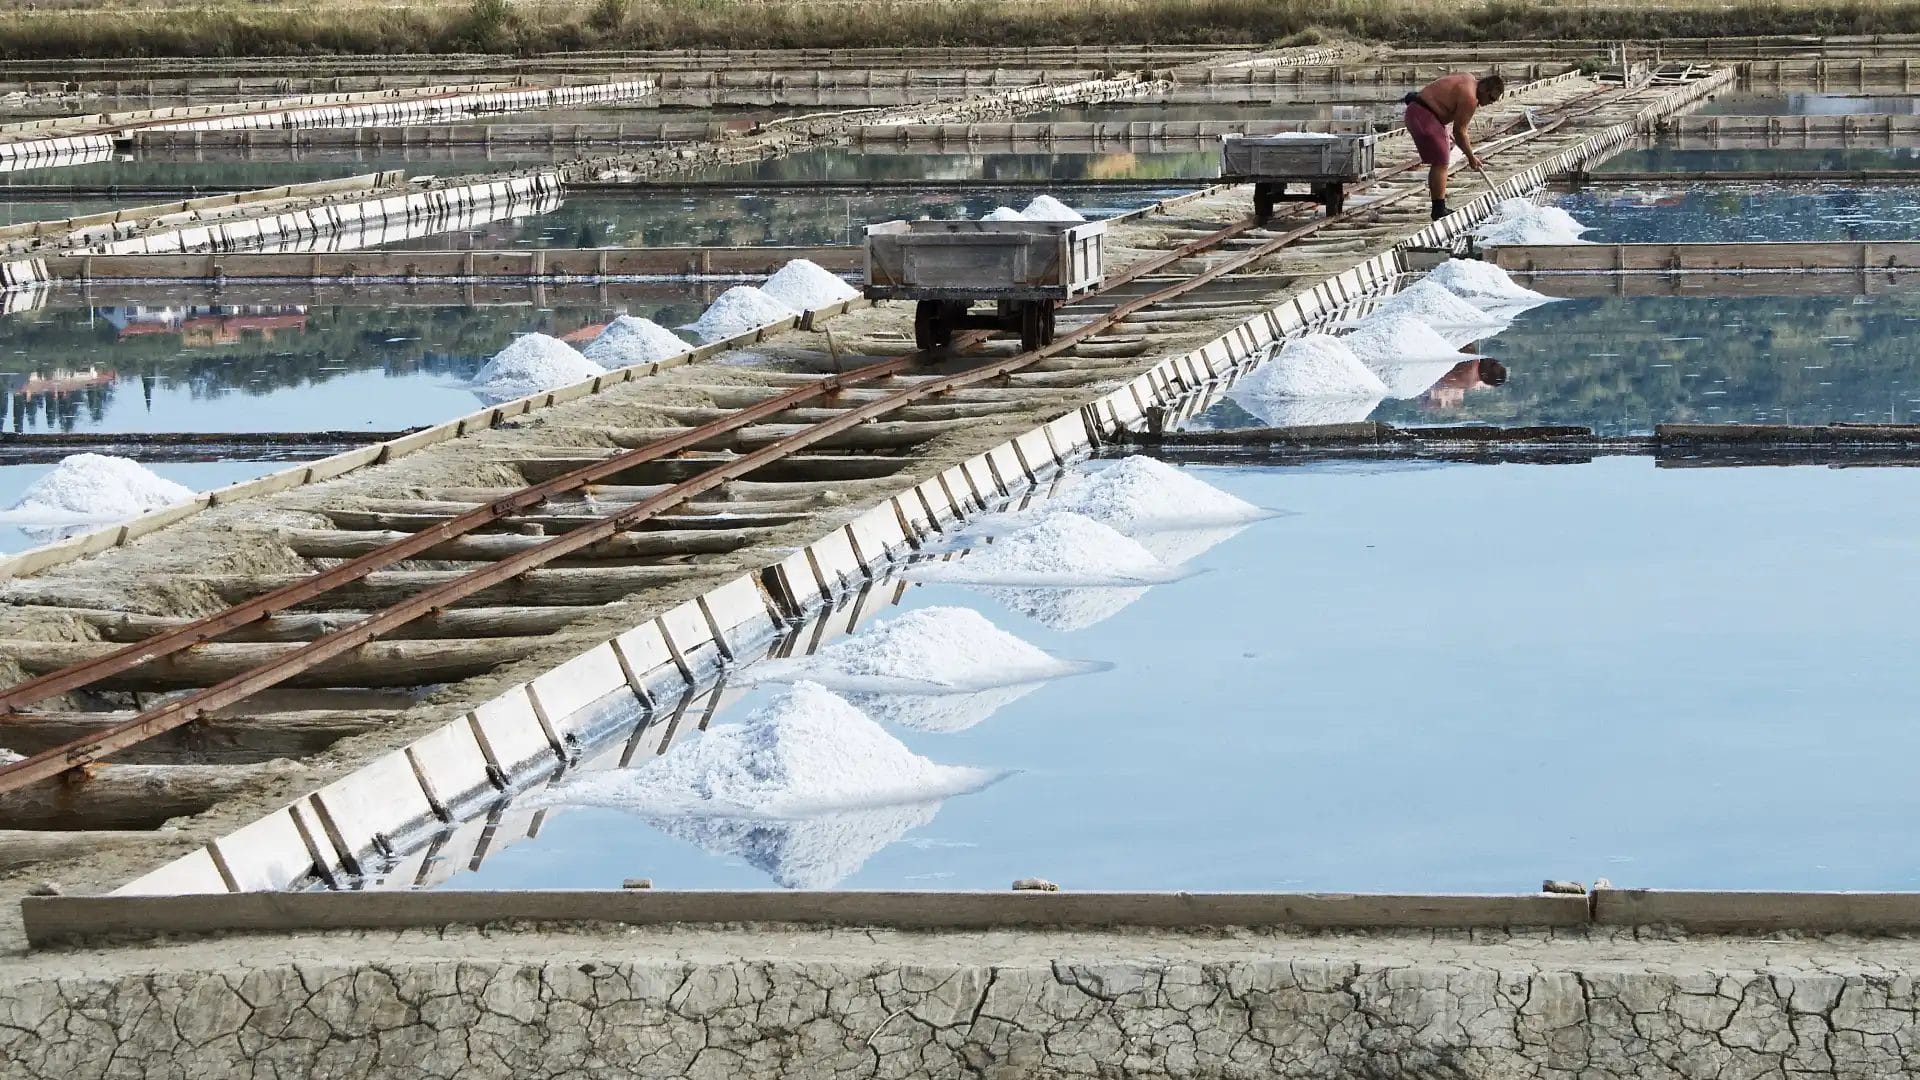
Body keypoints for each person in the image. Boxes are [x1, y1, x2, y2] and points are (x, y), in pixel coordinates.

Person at [1403, 72, 1506, 221]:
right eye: (1491, 98)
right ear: (1483, 88)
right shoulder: (1470, 98)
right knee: (1441, 161)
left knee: (1440, 158)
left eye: (1494, 101)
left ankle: (1438, 206)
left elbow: (1440, 87)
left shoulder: (1468, 78)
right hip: (1423, 116)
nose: (1490, 102)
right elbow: (1460, 132)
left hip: (1418, 110)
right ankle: (1439, 209)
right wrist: (1471, 157)